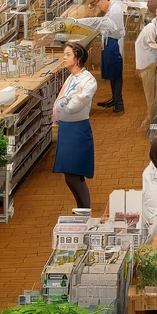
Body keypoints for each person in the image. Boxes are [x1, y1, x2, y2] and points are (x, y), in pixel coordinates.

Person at [52, 41, 98, 210]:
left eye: (68, 55)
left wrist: (66, 101)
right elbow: (66, 102)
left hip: (77, 132)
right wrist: (68, 101)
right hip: (66, 130)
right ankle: (82, 210)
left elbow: (72, 107)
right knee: (68, 176)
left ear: (78, 58)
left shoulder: (89, 80)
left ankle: (85, 211)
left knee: (75, 176)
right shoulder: (71, 77)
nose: (64, 58)